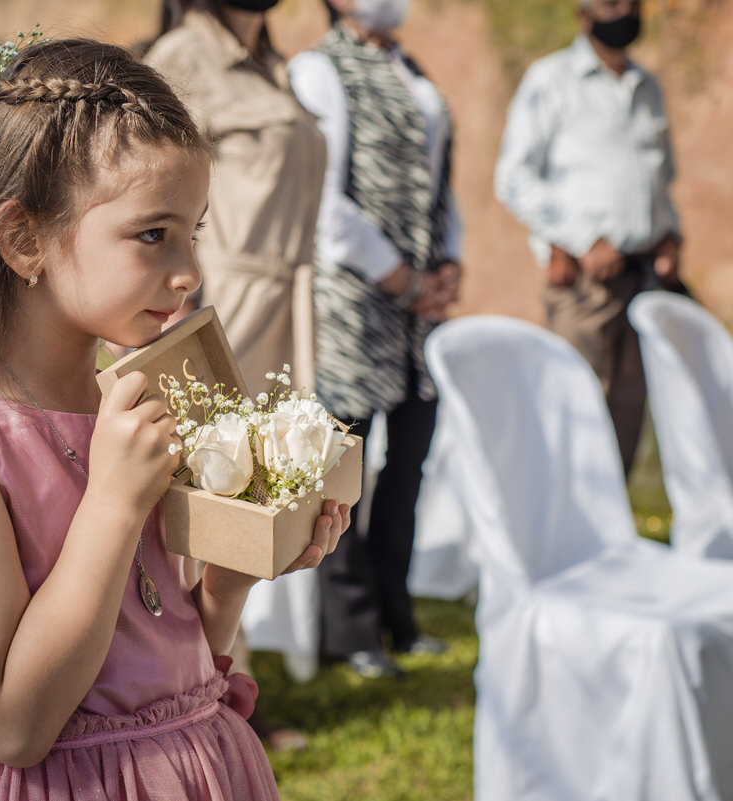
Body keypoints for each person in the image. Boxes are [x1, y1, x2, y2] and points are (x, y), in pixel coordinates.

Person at [0, 38, 351, 799]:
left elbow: (159, 665)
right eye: (153, 234)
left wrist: (228, 583)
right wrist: (113, 503)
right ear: (24, 239)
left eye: (194, 231)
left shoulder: (129, 400)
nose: (188, 273)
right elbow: (14, 726)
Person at [288, 0, 460, 679]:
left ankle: (399, 613)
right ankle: (351, 629)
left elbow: (438, 180)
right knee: (342, 470)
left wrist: (449, 263)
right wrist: (401, 278)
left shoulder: (411, 68)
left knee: (408, 460)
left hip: (419, 306)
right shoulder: (318, 71)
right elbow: (326, 203)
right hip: (356, 300)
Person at [495, 0, 681, 477]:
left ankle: (610, 539)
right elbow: (514, 179)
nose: (623, 11)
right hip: (585, 286)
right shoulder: (551, 80)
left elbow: (659, 182)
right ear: (583, 15)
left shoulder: (647, 88)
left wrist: (669, 236)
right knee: (573, 414)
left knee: (626, 414)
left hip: (641, 282)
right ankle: (557, 538)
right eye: (610, 3)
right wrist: (581, 240)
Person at [143, 0, 326, 398]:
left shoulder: (272, 64)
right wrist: (174, 301)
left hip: (291, 310)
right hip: (223, 306)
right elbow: (153, 190)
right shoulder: (182, 55)